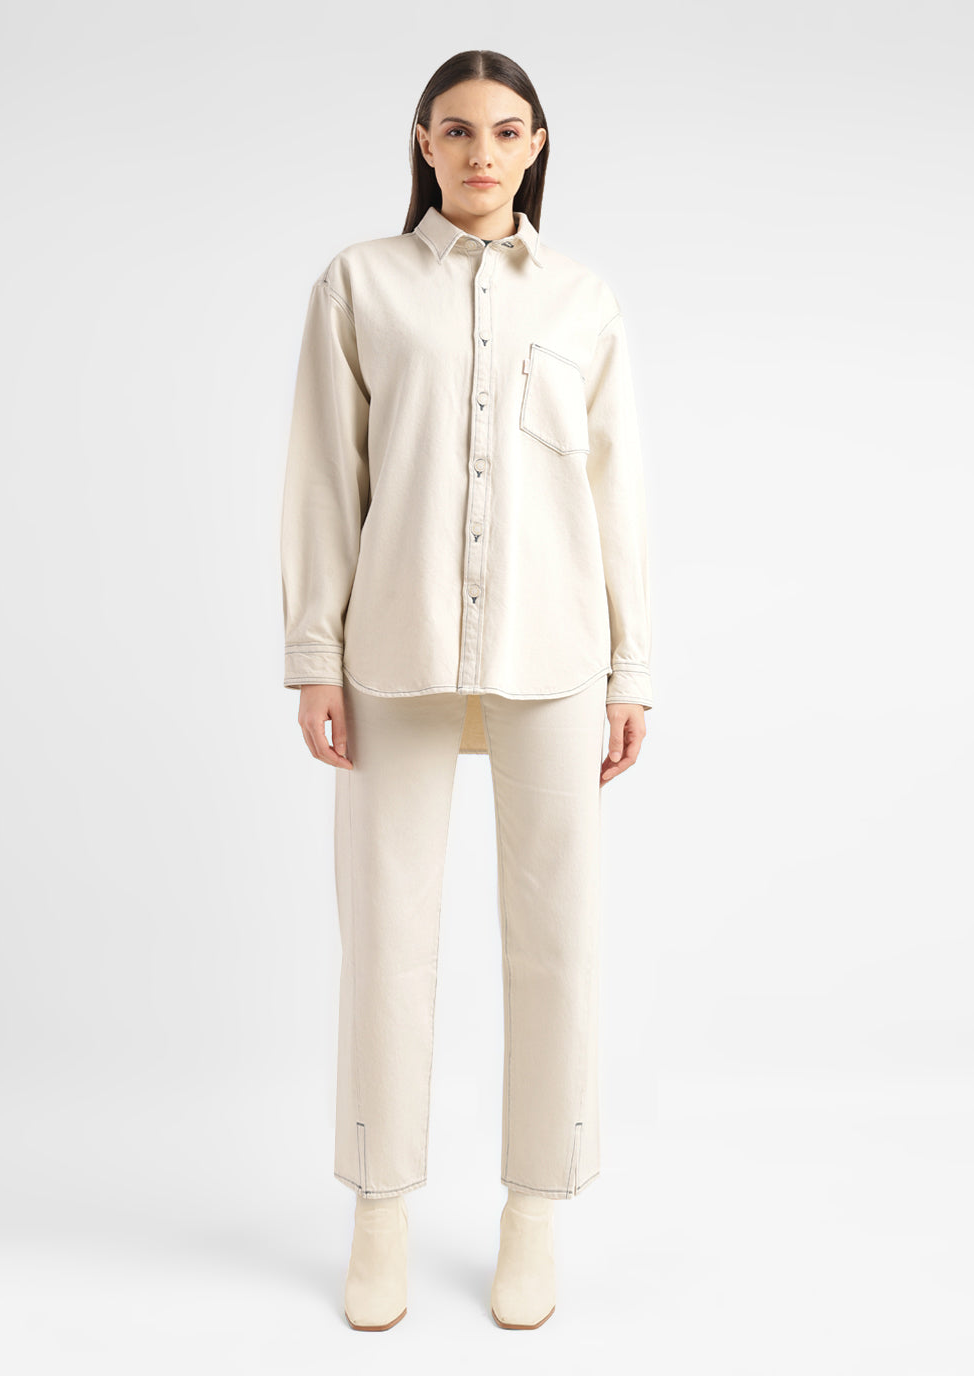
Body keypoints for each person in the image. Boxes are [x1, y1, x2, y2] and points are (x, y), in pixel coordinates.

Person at [279, 49, 653, 1332]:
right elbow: (323, 477)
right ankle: (378, 1208)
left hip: (555, 653)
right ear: (422, 142)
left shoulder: (583, 300)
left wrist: (631, 667)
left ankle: (532, 1209)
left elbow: (615, 494)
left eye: (503, 130)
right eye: (456, 130)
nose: (480, 152)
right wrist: (314, 655)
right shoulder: (360, 284)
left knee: (554, 934)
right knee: (385, 934)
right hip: (393, 648)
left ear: (536, 143)